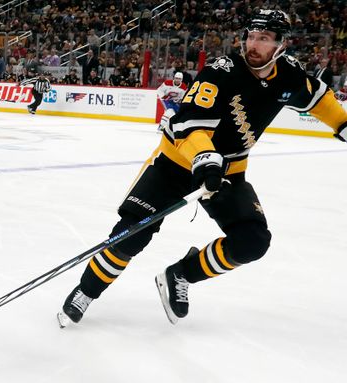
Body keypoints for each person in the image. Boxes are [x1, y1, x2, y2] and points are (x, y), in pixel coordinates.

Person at [58, 9, 347, 328]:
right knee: (131, 235)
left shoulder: (289, 76)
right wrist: (205, 159)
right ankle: (86, 291)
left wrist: (343, 123)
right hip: (175, 162)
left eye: (263, 38)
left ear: (280, 45)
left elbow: (320, 100)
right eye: (251, 36)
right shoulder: (221, 72)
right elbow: (188, 124)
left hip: (228, 172)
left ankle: (180, 274)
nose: (253, 44)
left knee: (252, 241)